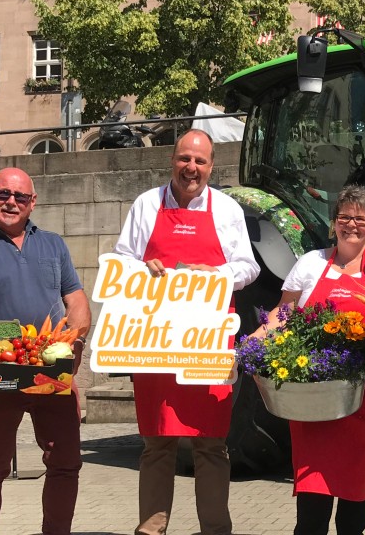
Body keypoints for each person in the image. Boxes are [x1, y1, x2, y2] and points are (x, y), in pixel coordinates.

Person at [114, 129, 260, 535]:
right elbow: (121, 260)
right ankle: (150, 528)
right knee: (156, 442)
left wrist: (215, 274)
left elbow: (248, 267)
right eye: (184, 159)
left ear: (211, 166)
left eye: (199, 161)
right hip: (156, 337)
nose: (191, 168)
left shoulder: (227, 209)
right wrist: (143, 269)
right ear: (172, 160)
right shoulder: (146, 205)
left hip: (208, 339)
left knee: (211, 442)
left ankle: (215, 530)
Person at [0, 167, 92, 535]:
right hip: (2, 371)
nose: (11, 202)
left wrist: (73, 339)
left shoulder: (54, 244)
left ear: (32, 202)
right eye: (3, 194)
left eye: (20, 197)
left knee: (65, 461)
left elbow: (76, 300)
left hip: (51, 372)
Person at [251, 185, 365, 535]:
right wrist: (250, 345)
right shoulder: (311, 263)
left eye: (361, 218)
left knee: (356, 492)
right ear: (333, 223)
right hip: (315, 396)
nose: (352, 224)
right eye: (345, 217)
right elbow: (282, 313)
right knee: (313, 501)